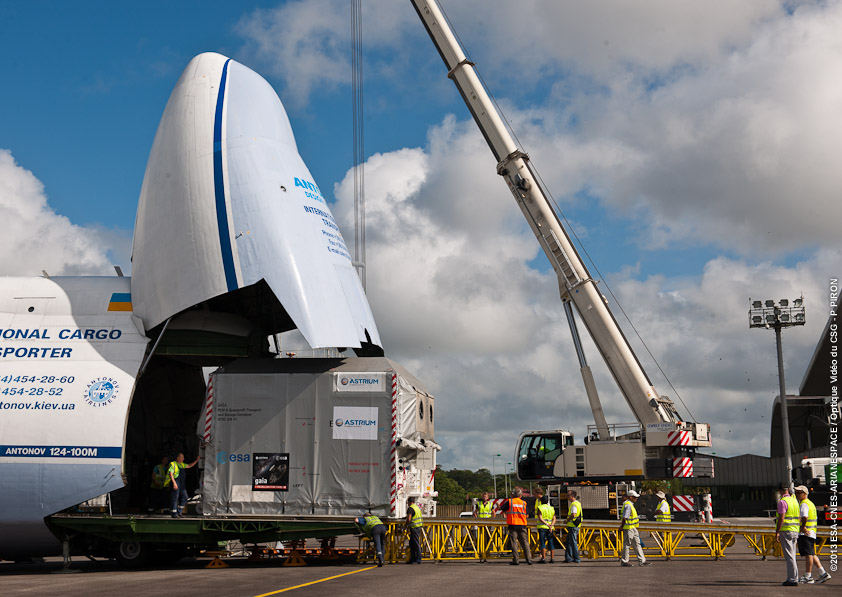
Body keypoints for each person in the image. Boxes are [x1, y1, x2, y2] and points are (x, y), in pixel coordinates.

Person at [795, 485, 831, 584]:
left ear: (805, 494)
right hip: (811, 532)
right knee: (812, 554)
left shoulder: (804, 504)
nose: (797, 494)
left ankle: (808, 576)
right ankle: (823, 573)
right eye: (796, 492)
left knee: (809, 555)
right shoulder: (810, 503)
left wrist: (802, 528)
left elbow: (805, 517)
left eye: (799, 492)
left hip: (806, 533)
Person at [500, 487, 533, 565]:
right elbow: (527, 514)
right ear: (521, 495)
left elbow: (502, 508)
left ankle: (516, 560)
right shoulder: (524, 503)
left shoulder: (510, 502)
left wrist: (499, 506)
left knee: (514, 542)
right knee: (525, 542)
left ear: (512, 495)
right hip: (522, 524)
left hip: (513, 524)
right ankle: (529, 559)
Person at [775, 484, 800, 586]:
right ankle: (794, 577)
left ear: (780, 491)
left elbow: (781, 518)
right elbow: (799, 516)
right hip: (795, 530)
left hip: (786, 531)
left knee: (789, 556)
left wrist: (777, 531)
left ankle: (792, 579)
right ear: (788, 490)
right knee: (793, 555)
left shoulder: (782, 502)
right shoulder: (795, 501)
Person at [618, 490, 650, 566]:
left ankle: (642, 561)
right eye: (635, 497)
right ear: (631, 497)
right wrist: (622, 527)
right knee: (627, 544)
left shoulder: (630, 504)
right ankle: (624, 561)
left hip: (632, 528)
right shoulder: (628, 505)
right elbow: (625, 518)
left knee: (637, 544)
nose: (636, 499)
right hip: (629, 528)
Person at [165, 452, 199, 518]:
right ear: (178, 458)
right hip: (176, 482)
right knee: (175, 497)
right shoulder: (173, 464)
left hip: (181, 484)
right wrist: (174, 483)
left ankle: (179, 511)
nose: (183, 458)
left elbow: (189, 466)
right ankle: (174, 513)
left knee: (185, 497)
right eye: (182, 457)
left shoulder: (181, 465)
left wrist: (196, 461)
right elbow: (171, 474)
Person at [536, 495, 556, 563]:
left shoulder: (540, 508)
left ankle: (543, 558)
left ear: (541, 501)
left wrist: (546, 524)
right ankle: (552, 558)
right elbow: (554, 519)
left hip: (542, 527)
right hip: (550, 528)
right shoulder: (551, 508)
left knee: (542, 542)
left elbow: (540, 518)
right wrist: (551, 525)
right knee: (551, 542)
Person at [564, 489, 582, 563]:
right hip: (575, 525)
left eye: (568, 495)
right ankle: (568, 558)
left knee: (573, 542)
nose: (567, 497)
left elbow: (573, 514)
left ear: (573, 496)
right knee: (569, 542)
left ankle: (576, 558)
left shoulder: (574, 504)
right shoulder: (578, 503)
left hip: (572, 526)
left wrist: (567, 520)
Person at [405, 496, 423, 564]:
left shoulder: (410, 508)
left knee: (415, 543)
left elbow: (409, 519)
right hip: (418, 527)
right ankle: (413, 559)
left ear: (409, 502)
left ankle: (418, 559)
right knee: (412, 543)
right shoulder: (417, 507)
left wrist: (405, 525)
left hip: (414, 527)